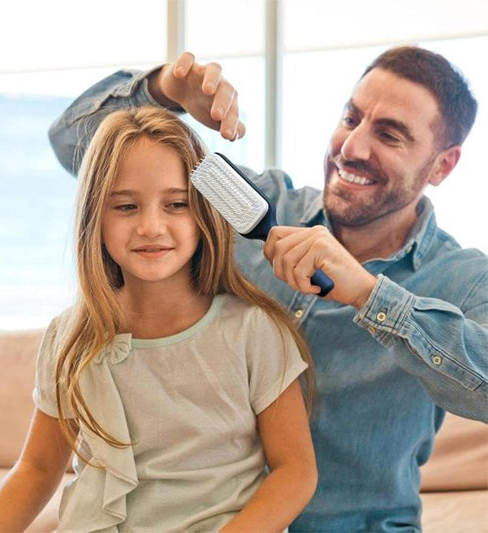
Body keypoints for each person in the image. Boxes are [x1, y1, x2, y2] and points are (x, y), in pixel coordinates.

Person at [47, 46, 488, 532]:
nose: (353, 147)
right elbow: (75, 145)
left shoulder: (463, 279)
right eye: (351, 118)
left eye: (389, 135)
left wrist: (370, 296)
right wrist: (165, 90)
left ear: (442, 166)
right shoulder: (252, 205)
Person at [0, 106, 318, 532]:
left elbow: (295, 471)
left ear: (204, 213)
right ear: (95, 218)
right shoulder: (69, 336)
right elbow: (38, 468)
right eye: (126, 206)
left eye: (176, 204)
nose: (151, 226)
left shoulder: (253, 331)